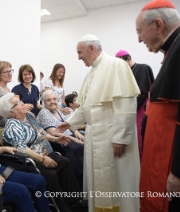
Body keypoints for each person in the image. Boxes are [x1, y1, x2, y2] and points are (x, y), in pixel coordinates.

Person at [56, 34, 141, 212]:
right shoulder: (91, 73)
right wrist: (69, 123)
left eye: (80, 52)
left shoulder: (116, 65)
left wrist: (121, 138)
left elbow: (126, 107)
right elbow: (86, 106)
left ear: (92, 48)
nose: (78, 57)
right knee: (100, 183)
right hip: (96, 136)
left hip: (112, 137)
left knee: (117, 183)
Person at [136, 0, 180, 211]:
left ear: (158, 24)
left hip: (179, 169)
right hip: (163, 159)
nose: (139, 39)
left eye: (139, 31)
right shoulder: (175, 48)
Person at [0, 93, 84, 212]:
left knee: (65, 162)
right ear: (11, 112)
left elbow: (42, 133)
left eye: (20, 101)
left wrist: (56, 139)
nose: (22, 103)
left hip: (47, 153)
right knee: (51, 175)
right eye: (17, 103)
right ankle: (61, 207)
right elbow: (21, 148)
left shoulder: (29, 117)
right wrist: (42, 159)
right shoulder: (12, 125)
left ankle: (74, 201)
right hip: (31, 161)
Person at [36, 90, 84, 190]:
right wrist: (74, 139)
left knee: (85, 142)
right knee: (81, 148)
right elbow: (53, 133)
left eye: (54, 99)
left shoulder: (58, 110)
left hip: (69, 137)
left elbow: (67, 123)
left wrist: (76, 132)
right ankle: (78, 184)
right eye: (49, 100)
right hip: (60, 142)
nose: (52, 102)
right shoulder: (44, 113)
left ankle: (84, 181)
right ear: (44, 103)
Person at [115, 50, 154, 160]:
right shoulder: (123, 73)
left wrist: (130, 109)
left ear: (128, 59)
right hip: (128, 110)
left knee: (139, 139)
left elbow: (143, 92)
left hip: (140, 108)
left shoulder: (143, 68)